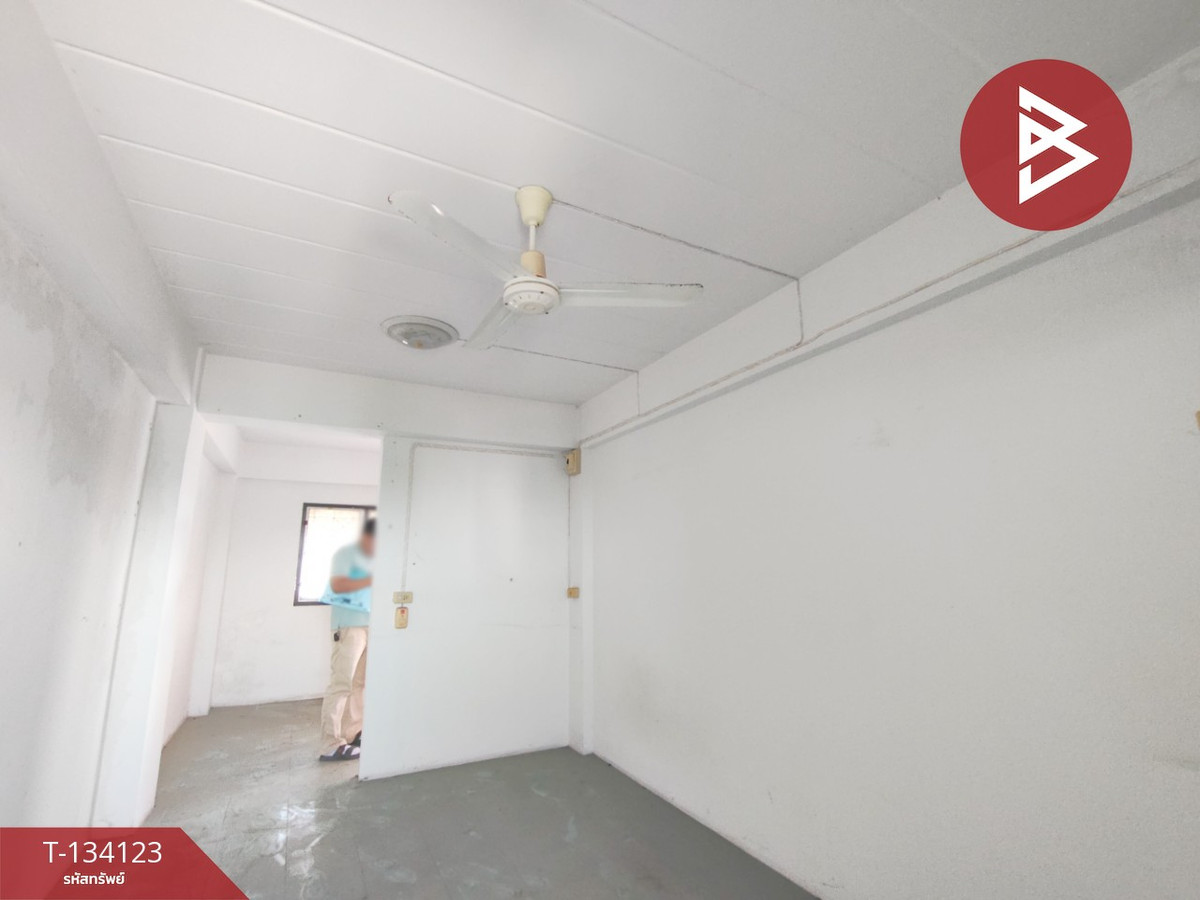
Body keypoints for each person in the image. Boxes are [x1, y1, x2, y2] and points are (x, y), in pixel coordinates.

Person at [318, 518, 374, 762]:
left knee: (359, 684)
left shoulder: (375, 559)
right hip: (349, 626)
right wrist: (373, 578)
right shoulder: (346, 554)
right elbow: (338, 584)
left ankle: (352, 734)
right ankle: (330, 743)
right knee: (341, 684)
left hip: (370, 625)